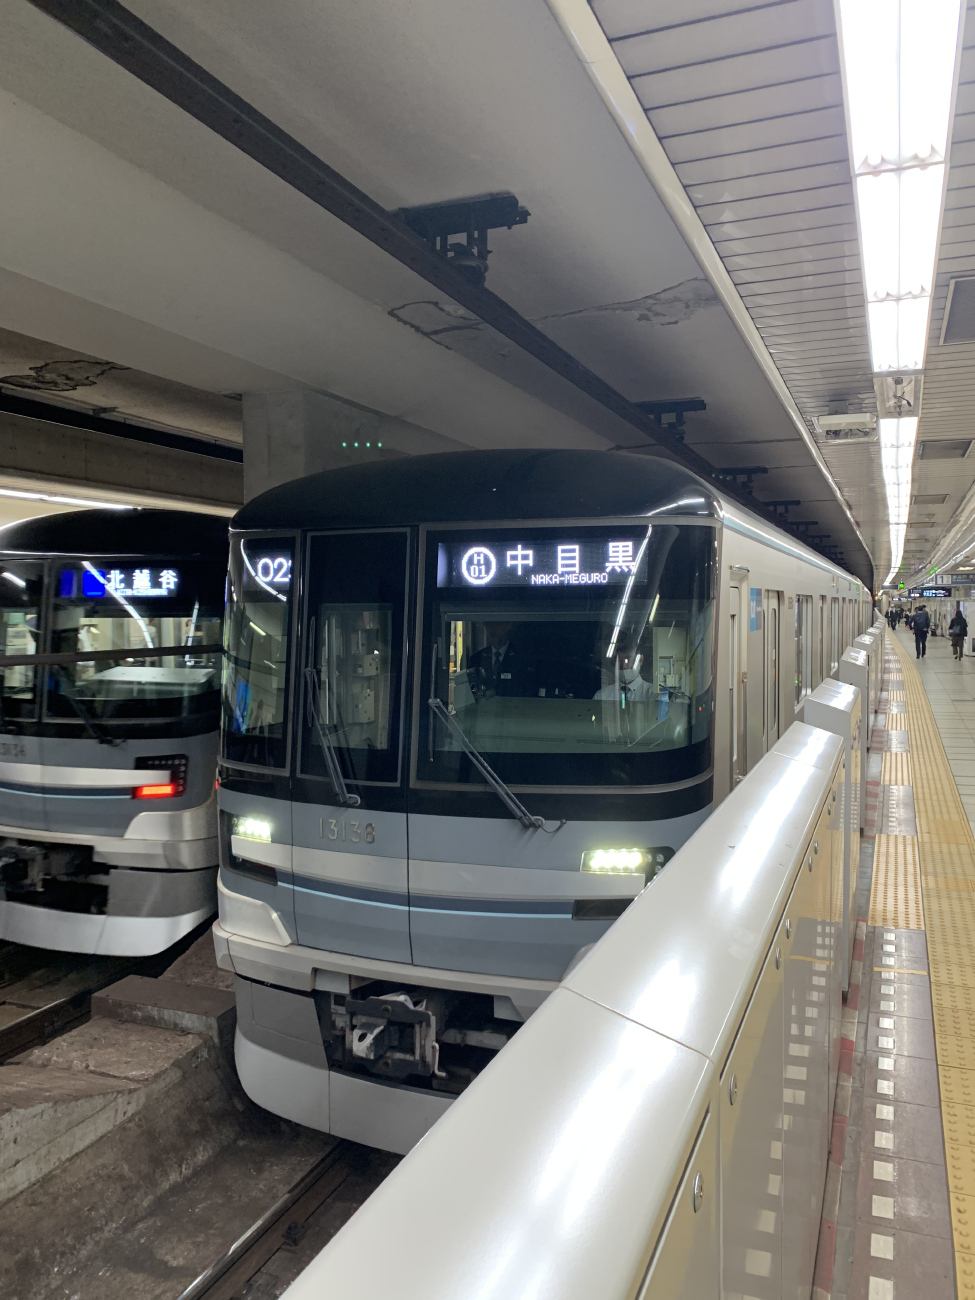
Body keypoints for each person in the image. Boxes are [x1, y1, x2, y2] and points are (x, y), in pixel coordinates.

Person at [468, 621, 532, 697]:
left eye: (498, 624)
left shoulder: (522, 659)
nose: (492, 629)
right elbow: (469, 693)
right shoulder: (476, 659)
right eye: (488, 624)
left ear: (509, 625)